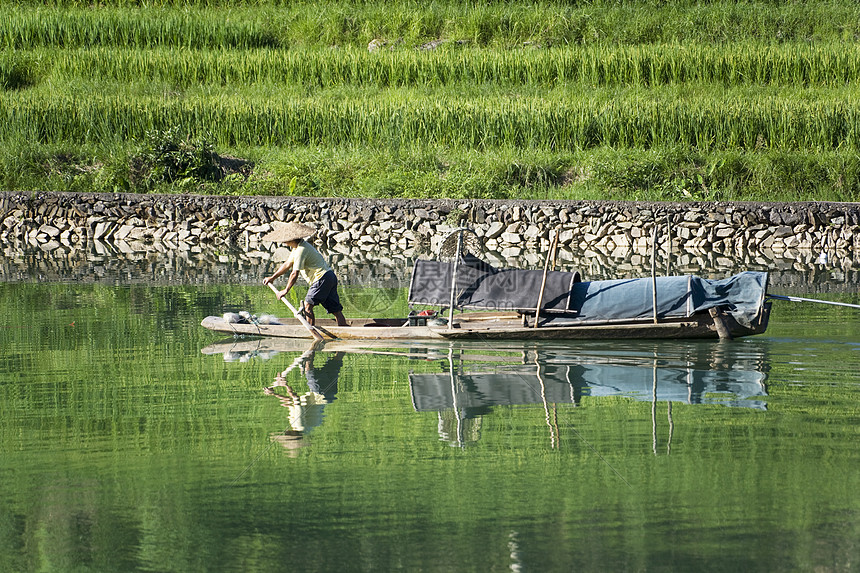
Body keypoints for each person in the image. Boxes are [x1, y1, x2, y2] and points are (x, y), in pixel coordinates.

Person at [262, 222, 348, 326]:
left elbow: (294, 273)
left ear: (291, 239)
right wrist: (272, 278)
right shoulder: (297, 248)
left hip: (321, 278)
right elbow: (287, 265)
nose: (284, 242)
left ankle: (310, 330)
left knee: (308, 305)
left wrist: (286, 290)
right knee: (335, 310)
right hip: (329, 276)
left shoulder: (301, 250)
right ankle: (343, 329)